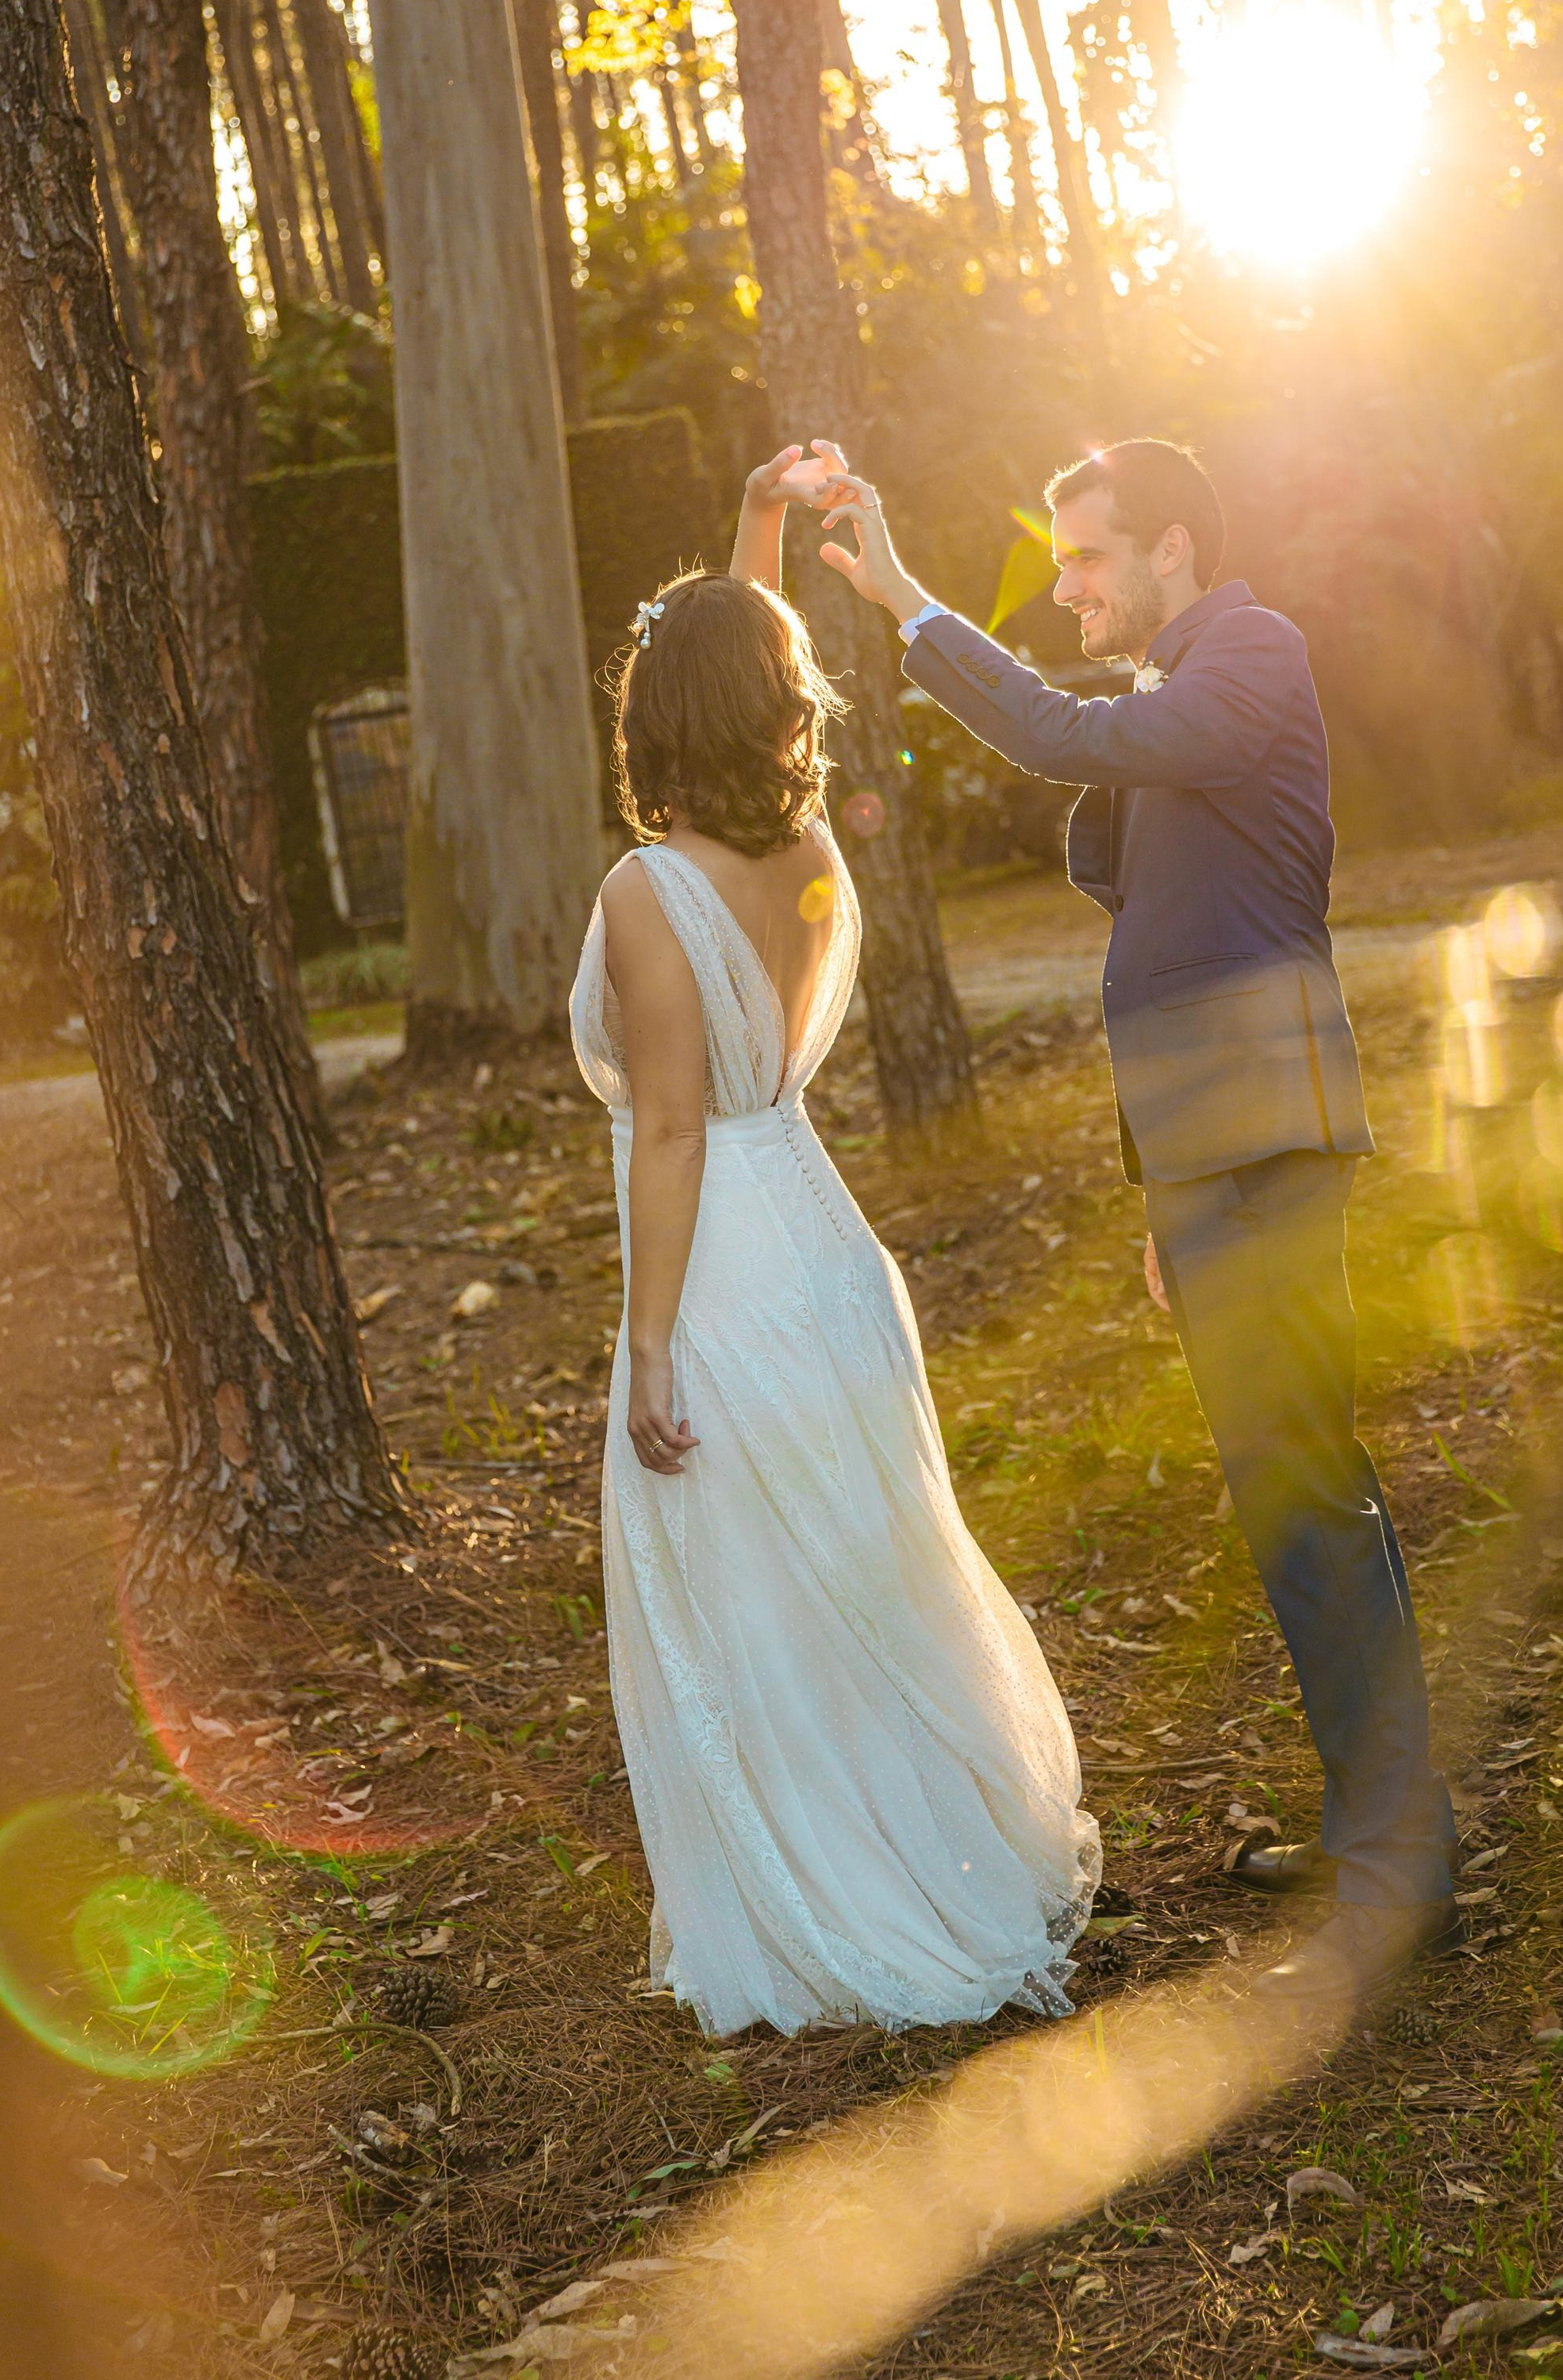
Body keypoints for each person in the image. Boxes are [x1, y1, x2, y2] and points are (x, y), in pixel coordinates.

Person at [808, 436, 1459, 2013]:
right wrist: (1166, 1191)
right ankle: (1383, 1833)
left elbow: (1054, 732)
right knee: (1302, 1492)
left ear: (1174, 546)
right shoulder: (1175, 694)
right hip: (1213, 1158)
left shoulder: (1251, 650)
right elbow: (1160, 921)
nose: (1069, 587)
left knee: (1306, 1497)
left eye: (1089, 557)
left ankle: (1398, 1878)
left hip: (1268, 1145)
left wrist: (903, 599)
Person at [568, 446, 1099, 2039]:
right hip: (827, 1247)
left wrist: (649, 1344)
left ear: (652, 715)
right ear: (773, 701)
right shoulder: (806, 851)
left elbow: (671, 1131)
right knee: (863, 1569)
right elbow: (735, 653)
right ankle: (933, 1848)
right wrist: (757, 524)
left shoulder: (647, 892)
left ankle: (829, 1900)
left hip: (724, 1271)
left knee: (756, 1591)